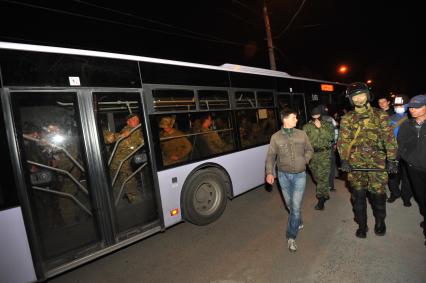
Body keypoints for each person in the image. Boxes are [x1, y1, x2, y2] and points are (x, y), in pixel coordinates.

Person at [338, 82, 398, 239]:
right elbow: (343, 141)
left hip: (377, 162)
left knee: (378, 196)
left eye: (361, 95)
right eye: (355, 97)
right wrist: (344, 159)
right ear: (351, 100)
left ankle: (380, 221)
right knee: (358, 198)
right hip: (356, 164)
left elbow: (389, 139)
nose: (358, 99)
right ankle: (362, 225)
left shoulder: (380, 115)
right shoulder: (347, 118)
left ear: (368, 96)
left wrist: (392, 160)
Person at [265, 108, 313, 252]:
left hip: (299, 175)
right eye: (294, 117)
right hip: (283, 176)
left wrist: (304, 160)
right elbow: (271, 156)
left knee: (296, 206)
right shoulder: (275, 137)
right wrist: (269, 172)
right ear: (285, 119)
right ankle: (298, 220)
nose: (296, 120)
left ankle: (291, 237)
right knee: (290, 205)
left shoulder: (302, 134)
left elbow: (310, 150)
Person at [397, 94, 426, 246]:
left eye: (417, 107)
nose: (413, 110)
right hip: (414, 169)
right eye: (411, 107)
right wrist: (405, 159)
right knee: (421, 198)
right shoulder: (407, 125)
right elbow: (400, 145)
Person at [105, 113, 144, 204]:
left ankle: (124, 200)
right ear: (128, 122)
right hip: (119, 164)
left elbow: (141, 140)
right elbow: (110, 138)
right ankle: (138, 207)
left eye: (137, 120)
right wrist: (120, 136)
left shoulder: (137, 131)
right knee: (131, 186)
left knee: (121, 185)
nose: (137, 121)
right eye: (134, 120)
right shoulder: (127, 132)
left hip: (122, 164)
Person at [303, 106, 335, 210]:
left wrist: (320, 127)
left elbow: (330, 137)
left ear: (321, 116)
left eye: (318, 116)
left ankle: (321, 200)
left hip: (324, 154)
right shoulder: (306, 127)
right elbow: (304, 142)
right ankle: (325, 193)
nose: (316, 118)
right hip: (312, 155)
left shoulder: (327, 125)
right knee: (316, 177)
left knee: (322, 177)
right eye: (313, 117)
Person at [387, 95, 413, 206]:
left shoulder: (413, 117)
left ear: (407, 106)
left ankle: (406, 197)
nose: (398, 107)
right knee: (392, 175)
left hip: (409, 151)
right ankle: (395, 193)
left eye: (401, 105)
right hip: (394, 150)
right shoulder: (390, 118)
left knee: (408, 176)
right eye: (397, 105)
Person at [318, 104, 339, 191]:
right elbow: (336, 131)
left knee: (323, 167)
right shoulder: (330, 119)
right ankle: (330, 185)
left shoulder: (314, 120)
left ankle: (324, 185)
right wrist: (335, 143)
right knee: (331, 166)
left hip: (319, 148)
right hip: (329, 147)